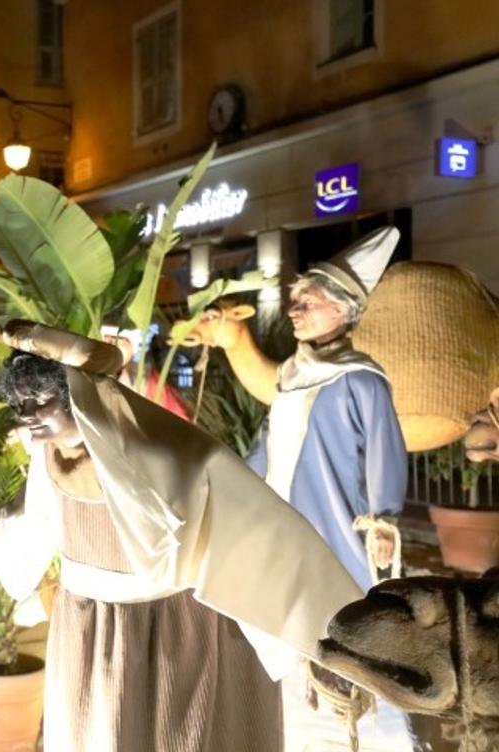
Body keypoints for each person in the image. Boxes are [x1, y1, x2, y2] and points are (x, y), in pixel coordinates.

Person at [0, 320, 364, 752]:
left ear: (78, 397)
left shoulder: (162, 456)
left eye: (41, 401)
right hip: (87, 627)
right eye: (20, 403)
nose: (27, 415)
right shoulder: (50, 459)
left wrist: (310, 637)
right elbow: (25, 518)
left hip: (167, 631)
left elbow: (253, 529)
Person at [196, 228, 415, 749]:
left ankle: (354, 699)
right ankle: (307, 687)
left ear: (343, 311)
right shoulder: (295, 375)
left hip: (338, 522)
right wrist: (233, 479)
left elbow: (387, 448)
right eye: (295, 301)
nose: (296, 309)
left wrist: (384, 517)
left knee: (342, 602)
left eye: (309, 302)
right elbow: (270, 443)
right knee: (286, 599)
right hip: (285, 516)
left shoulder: (361, 379)